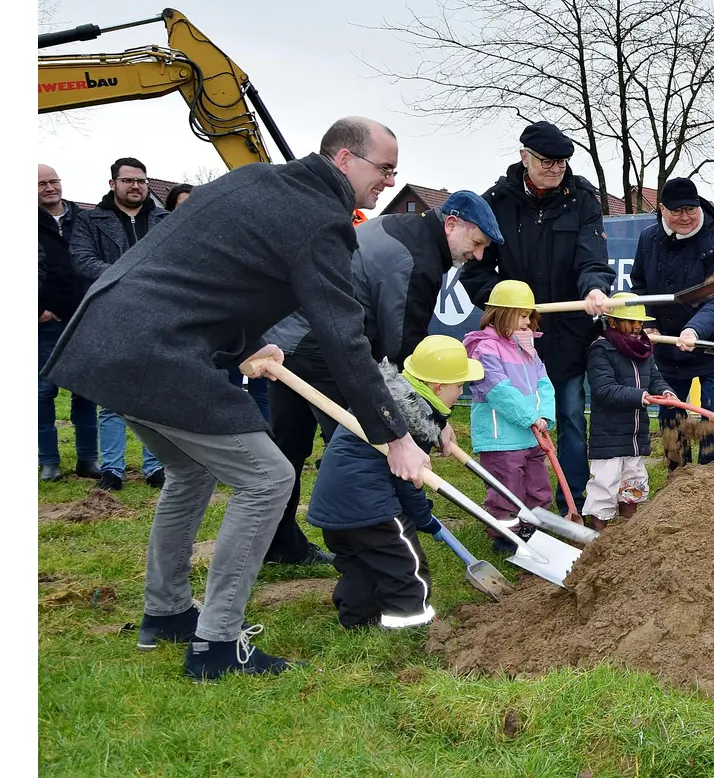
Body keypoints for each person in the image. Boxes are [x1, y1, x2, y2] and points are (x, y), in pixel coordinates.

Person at [44, 115, 433, 678]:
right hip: (158, 353)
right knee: (269, 479)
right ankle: (217, 646)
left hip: (108, 337)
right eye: (386, 169)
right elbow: (342, 336)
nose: (391, 182)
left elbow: (203, 269)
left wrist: (249, 344)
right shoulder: (320, 219)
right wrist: (395, 435)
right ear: (345, 159)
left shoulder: (255, 180)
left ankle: (167, 613)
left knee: (190, 471)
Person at [261, 189, 500, 566]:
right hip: (320, 344)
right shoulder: (418, 260)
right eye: (477, 243)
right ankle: (369, 546)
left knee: (290, 445)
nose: (479, 255)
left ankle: (279, 545)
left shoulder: (404, 227)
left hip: (288, 335)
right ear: (452, 224)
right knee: (364, 444)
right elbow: (403, 352)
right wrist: (429, 423)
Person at [461, 121, 615, 514]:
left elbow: (592, 259)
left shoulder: (583, 199)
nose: (556, 168)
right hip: (512, 339)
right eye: (547, 161)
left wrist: (594, 289)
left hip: (568, 334)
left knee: (570, 416)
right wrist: (506, 308)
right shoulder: (496, 201)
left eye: (562, 162)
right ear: (524, 157)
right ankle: (514, 505)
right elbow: (475, 270)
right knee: (515, 423)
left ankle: (572, 502)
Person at [307, 336, 473, 630]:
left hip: (333, 506)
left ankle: (357, 619)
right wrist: (424, 518)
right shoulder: (411, 427)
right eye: (459, 386)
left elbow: (427, 414)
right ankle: (411, 621)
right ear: (438, 388)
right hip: (372, 509)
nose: (461, 392)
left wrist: (442, 425)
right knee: (404, 564)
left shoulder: (385, 402)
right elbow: (409, 481)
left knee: (360, 564)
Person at [71, 156, 169, 491]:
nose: (136, 186)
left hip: (156, 314)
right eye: (128, 180)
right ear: (113, 184)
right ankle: (112, 469)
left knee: (153, 397)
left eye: (141, 180)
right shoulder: (90, 220)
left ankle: (155, 466)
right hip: (110, 313)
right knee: (112, 399)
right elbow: (82, 259)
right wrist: (125, 277)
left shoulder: (164, 219)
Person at [632, 177, 714, 470]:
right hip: (667, 346)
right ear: (662, 209)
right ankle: (677, 479)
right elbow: (639, 285)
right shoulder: (648, 239)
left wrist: (694, 329)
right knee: (670, 414)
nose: (685, 217)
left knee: (712, 414)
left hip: (711, 343)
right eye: (677, 211)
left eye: (691, 209)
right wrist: (649, 321)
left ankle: (712, 479)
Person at [463, 280, 555, 554]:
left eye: (529, 316)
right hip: (501, 437)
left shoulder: (527, 348)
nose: (527, 322)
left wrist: (544, 415)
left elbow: (544, 384)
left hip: (532, 435)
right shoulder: (485, 349)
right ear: (502, 313)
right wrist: (529, 416)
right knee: (506, 488)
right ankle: (505, 535)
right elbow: (498, 390)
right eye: (522, 315)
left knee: (538, 486)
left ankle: (533, 529)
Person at [166, 183, 272, 421]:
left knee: (255, 392)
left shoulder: (228, 239)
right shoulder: (169, 246)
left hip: (239, 329)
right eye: (183, 205)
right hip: (197, 336)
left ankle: (263, 439)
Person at [585, 293, 676, 531]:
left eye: (640, 322)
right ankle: (596, 535)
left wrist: (665, 391)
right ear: (612, 322)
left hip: (635, 436)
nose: (637, 326)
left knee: (634, 483)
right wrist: (640, 396)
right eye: (631, 321)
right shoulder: (601, 350)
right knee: (605, 485)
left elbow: (654, 378)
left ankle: (628, 532)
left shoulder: (643, 349)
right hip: (609, 436)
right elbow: (604, 389)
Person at [38, 164, 98, 482]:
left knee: (86, 393)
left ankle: (88, 460)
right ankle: (49, 461)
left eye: (53, 181)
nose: (50, 188)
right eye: (41, 184)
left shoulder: (83, 219)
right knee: (42, 393)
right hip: (45, 323)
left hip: (84, 320)